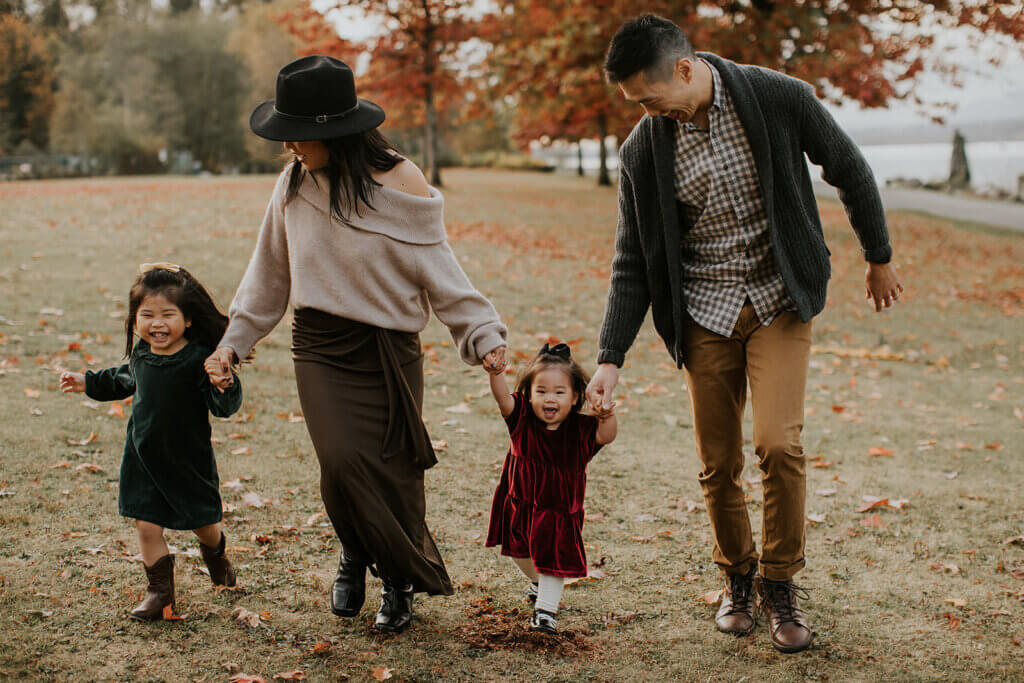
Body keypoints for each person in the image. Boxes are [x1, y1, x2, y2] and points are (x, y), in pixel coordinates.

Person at [586, 15, 905, 653]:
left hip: (779, 297)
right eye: (636, 106)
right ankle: (737, 576)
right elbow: (633, 260)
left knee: (778, 446)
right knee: (718, 460)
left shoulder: (776, 95)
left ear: (684, 68)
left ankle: (780, 583)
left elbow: (847, 165)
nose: (647, 113)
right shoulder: (643, 148)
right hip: (704, 308)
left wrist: (879, 254)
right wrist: (610, 357)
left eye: (651, 98)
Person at [204, 55, 508, 634]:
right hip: (321, 346)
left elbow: (439, 267)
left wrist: (480, 333)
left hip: (391, 349)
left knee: (394, 472)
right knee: (341, 461)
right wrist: (232, 344)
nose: (290, 145)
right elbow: (268, 276)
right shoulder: (293, 184)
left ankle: (396, 581)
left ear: (334, 131)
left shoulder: (402, 180)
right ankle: (354, 549)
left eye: (299, 135)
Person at [59, 264, 242, 621]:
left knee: (202, 525)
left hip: (187, 460)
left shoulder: (198, 358)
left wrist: (225, 384)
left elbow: (223, 407)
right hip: (143, 458)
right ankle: (159, 593)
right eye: (146, 315)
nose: (156, 323)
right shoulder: (142, 354)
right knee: (146, 525)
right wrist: (87, 381)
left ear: (188, 319)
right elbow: (121, 379)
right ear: (134, 320)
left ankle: (216, 555)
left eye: (167, 315)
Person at [485, 343, 617, 634]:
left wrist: (606, 415)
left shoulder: (581, 430)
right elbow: (503, 399)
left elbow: (606, 437)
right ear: (529, 394)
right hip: (521, 502)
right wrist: (496, 373)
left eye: (559, 392)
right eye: (541, 391)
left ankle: (545, 612)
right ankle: (536, 583)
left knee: (552, 560)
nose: (549, 399)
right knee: (518, 551)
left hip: (558, 511)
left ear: (574, 398)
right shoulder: (521, 418)